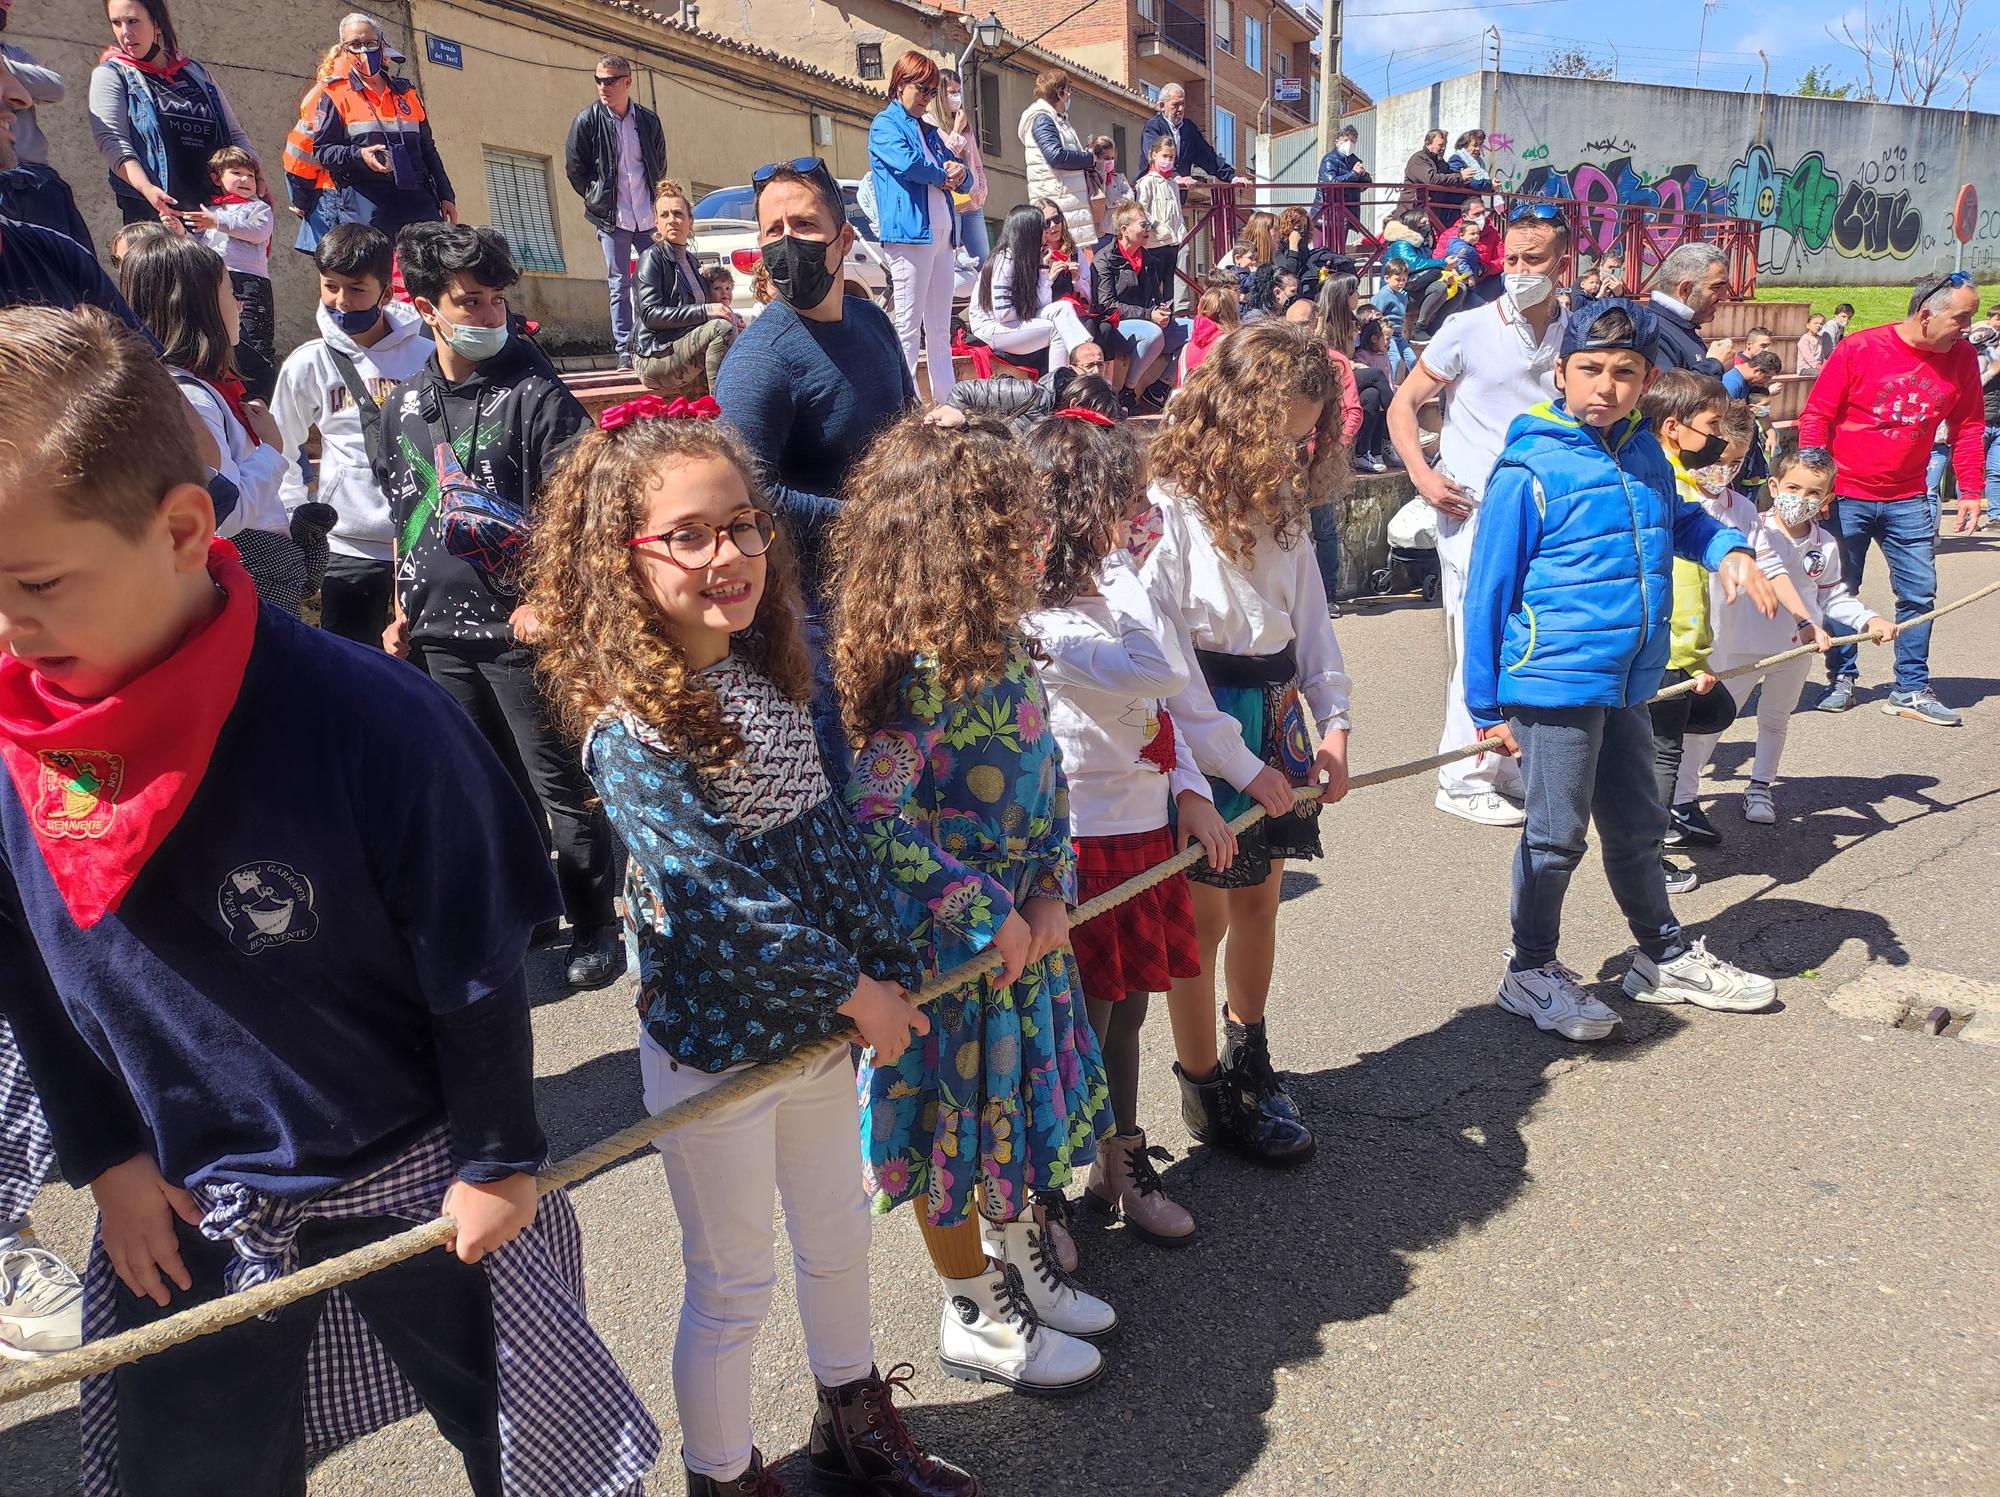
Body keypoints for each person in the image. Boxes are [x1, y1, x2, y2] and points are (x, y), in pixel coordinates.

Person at [0, 304, 659, 1497]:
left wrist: (501, 1153)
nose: (6, 627)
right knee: (192, 1470)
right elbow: (29, 970)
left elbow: (472, 964)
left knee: (531, 1442)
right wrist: (104, 1161)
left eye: (36, 583)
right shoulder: (18, 742)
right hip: (181, 1199)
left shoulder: (371, 722)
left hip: (419, 1173)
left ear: (185, 527)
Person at [527, 408, 976, 1497]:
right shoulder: (629, 733)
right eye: (687, 534)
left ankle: (853, 1422)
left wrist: (892, 955)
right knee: (730, 1284)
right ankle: (724, 1477)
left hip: (819, 1034)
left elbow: (826, 844)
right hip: (720, 1052)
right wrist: (854, 986)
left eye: (741, 526)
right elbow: (713, 893)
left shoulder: (766, 677)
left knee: (836, 1240)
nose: (724, 556)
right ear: (619, 558)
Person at [831, 414, 1114, 1395]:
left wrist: (1048, 889)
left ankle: (1022, 1262)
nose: (1034, 534)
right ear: (952, 533)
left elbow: (1048, 780)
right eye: (1010, 519)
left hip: (1022, 939)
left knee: (1017, 1118)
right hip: (953, 961)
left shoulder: (1002, 639)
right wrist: (985, 906)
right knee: (949, 1134)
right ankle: (970, 1303)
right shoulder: (915, 664)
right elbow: (874, 814)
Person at [1462, 297, 1783, 1042]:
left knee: (1639, 827)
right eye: (1591, 369)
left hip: (1631, 679)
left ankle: (1661, 953)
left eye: (1624, 371)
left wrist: (1726, 548)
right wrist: (1485, 708)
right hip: (1555, 680)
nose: (1606, 386)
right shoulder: (1529, 465)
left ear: (1645, 380)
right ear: (1562, 371)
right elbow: (1488, 592)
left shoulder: (1643, 450)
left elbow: (1680, 520)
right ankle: (1530, 968)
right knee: (1555, 836)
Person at [374, 222, 623, 987]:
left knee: (562, 787)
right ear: (424, 308)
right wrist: (398, 606)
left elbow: (585, 513)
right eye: (469, 301)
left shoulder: (535, 395)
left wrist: (550, 600)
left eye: (495, 300)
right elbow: (403, 509)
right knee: (488, 789)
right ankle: (531, 908)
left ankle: (594, 923)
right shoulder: (402, 403)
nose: (488, 316)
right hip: (439, 637)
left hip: (524, 634)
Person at [1138, 321, 1350, 1167]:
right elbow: (1169, 664)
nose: (1296, 454)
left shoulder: (1284, 501)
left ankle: (1248, 1048)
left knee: (1262, 896)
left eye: (1307, 436)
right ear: (1231, 417)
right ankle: (1202, 1083)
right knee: (1203, 912)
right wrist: (1238, 763)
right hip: (1208, 729)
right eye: (1283, 435)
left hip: (1280, 708)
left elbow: (1314, 623)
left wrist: (1333, 723)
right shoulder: (1167, 509)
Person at [1022, 408, 1229, 1246]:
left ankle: (1120, 1160)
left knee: (1132, 1009)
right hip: (1081, 840)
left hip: (1144, 827)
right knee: (1078, 1022)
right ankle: (1044, 1189)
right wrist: (1121, 570)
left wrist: (1189, 789)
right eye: (1118, 506)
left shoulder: (1114, 595)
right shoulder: (1043, 619)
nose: (1136, 521)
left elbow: (1164, 709)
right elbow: (1163, 668)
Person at [714, 157, 913, 779]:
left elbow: (905, 429)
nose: (786, 242)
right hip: (810, 613)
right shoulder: (758, 361)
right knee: (840, 775)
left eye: (802, 224)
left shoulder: (874, 324)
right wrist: (866, 518)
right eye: (772, 230)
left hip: (887, 588)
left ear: (844, 237)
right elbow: (743, 493)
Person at [1387, 204, 1571, 828]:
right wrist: (1423, 475)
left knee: (1524, 635)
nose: (1519, 271)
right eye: (1512, 259)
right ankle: (1461, 775)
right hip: (1470, 510)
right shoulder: (1466, 327)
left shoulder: (1576, 332)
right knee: (1476, 639)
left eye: (1534, 260)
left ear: (1561, 263)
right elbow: (1404, 404)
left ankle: (1507, 759)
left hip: (1545, 511)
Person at [1801, 270, 1986, 725]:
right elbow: (1817, 417)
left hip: (1910, 497)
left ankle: (1910, 688)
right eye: (1962, 318)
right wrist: (1815, 485)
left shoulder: (1961, 357)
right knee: (1841, 589)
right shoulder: (1860, 348)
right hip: (1846, 495)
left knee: (1920, 594)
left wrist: (1972, 490)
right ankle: (1841, 677)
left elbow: (1969, 426)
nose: (1968, 328)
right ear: (1927, 315)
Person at [1678, 443, 1893, 831]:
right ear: (1774, 486)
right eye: (1793, 488)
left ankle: (1760, 786)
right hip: (1739, 648)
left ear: (1828, 498)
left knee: (1775, 720)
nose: (1801, 499)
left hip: (1797, 651)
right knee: (1709, 725)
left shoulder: (1825, 544)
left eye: (1813, 492)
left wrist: (1869, 620)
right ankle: (1682, 799)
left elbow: (1834, 598)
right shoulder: (1748, 526)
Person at [119, 231, 328, 616]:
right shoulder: (191, 399)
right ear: (197, 307)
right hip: (249, 576)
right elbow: (224, 513)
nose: (239, 304)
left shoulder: (196, 389)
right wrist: (271, 450)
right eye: (230, 292)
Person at [271, 221, 431, 647]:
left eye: (356, 289)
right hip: (348, 551)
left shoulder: (427, 356)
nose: (341, 301)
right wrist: (296, 517)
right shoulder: (309, 363)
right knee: (352, 670)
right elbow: (279, 444)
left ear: (385, 293)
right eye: (330, 286)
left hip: (424, 545)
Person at [1640, 378, 1755, 890]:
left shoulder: (1653, 476)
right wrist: (1692, 656)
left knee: (1705, 718)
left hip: (1665, 648)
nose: (1717, 440)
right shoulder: (1674, 488)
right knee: (1664, 749)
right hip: (1668, 648)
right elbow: (1681, 587)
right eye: (1710, 427)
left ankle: (1647, 830)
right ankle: (1650, 855)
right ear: (1673, 428)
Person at [90, 0, 254, 229]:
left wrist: (256, 175)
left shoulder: (194, 72)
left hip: (214, 213)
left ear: (157, 23)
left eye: (133, 21)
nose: (125, 33)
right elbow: (113, 142)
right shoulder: (113, 74)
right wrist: (148, 189)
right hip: (155, 214)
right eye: (116, 23)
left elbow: (233, 133)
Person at [311, 13, 457, 242]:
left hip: (418, 199)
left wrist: (446, 196)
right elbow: (323, 151)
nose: (363, 50)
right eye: (355, 45)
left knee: (430, 270)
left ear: (381, 44)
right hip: (366, 203)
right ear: (343, 49)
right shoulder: (334, 94)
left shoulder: (407, 93)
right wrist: (359, 155)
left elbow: (428, 149)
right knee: (376, 274)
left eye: (369, 43)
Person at [870, 50, 964, 402]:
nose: (927, 97)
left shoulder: (929, 130)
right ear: (900, 83)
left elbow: (958, 171)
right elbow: (908, 164)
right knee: (907, 327)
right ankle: (904, 406)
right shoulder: (884, 124)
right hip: (910, 236)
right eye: (922, 88)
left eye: (932, 90)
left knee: (940, 328)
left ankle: (948, 401)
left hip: (940, 235)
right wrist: (945, 175)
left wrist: (961, 172)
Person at [563, 53, 666, 371]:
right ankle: (624, 349)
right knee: (618, 283)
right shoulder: (587, 120)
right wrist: (597, 199)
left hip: (647, 216)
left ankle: (655, 341)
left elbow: (658, 164)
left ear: (627, 82)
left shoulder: (647, 121)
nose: (603, 87)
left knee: (654, 280)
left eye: (609, 81)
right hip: (613, 217)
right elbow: (574, 168)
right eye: (598, 80)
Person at [633, 176, 741, 396]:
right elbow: (651, 314)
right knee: (720, 329)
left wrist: (731, 316)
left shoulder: (691, 262)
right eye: (664, 215)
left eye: (678, 214)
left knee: (732, 327)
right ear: (657, 222)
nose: (672, 220)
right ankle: (720, 410)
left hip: (679, 348)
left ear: (690, 222)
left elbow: (702, 315)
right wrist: (706, 310)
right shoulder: (651, 258)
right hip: (654, 354)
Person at [966, 201, 1094, 372]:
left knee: (1064, 307)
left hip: (1016, 319)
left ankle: (1085, 355)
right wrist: (1031, 311)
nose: (1047, 231)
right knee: (1056, 329)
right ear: (1029, 230)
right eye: (1042, 227)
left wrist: (1043, 271)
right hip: (991, 328)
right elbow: (1003, 313)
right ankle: (1059, 384)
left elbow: (1044, 304)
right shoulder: (1005, 258)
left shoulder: (1031, 257)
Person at [189, 145, 273, 393]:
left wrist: (217, 222)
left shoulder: (258, 208)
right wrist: (180, 230)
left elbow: (258, 232)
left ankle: (260, 395)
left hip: (250, 283)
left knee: (254, 338)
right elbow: (199, 245)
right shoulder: (210, 211)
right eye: (236, 173)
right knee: (222, 336)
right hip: (216, 281)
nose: (246, 180)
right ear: (217, 178)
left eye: (251, 175)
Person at [1094, 198, 1189, 411]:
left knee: (1197, 330)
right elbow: (1107, 304)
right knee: (1152, 333)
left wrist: (1163, 311)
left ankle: (1160, 388)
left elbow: (1154, 299)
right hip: (1119, 325)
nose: (1149, 230)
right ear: (1124, 229)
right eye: (1144, 225)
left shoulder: (1148, 260)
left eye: (1150, 225)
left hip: (1148, 320)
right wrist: (1149, 315)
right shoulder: (1105, 260)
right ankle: (1128, 390)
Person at [1315, 274, 1386, 471]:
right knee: (1376, 375)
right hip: (1332, 378)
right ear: (1343, 295)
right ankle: (1395, 427)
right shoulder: (1322, 322)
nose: (1359, 295)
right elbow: (1322, 356)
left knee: (1371, 395)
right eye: (1355, 291)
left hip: (1348, 372)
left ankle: (1363, 453)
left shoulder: (1351, 321)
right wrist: (1351, 365)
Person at [1019, 66, 1093, 247]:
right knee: (1062, 254)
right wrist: (1089, 158)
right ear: (1060, 93)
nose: (1069, 95)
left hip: (1065, 198)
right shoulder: (1042, 119)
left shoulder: (1056, 119)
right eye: (1068, 90)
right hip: (1058, 198)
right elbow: (1056, 156)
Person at [930, 68, 989, 264]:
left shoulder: (965, 124)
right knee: (951, 263)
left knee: (984, 262)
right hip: (950, 204)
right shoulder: (929, 123)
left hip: (972, 204)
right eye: (951, 92)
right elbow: (943, 160)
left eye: (958, 92)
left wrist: (981, 189)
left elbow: (975, 161)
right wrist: (955, 130)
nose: (956, 97)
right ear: (939, 95)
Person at [1647, 242, 1729, 376]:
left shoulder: (1680, 326)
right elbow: (1667, 395)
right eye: (1716, 287)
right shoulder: (1652, 333)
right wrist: (1714, 364)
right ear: (1685, 289)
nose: (1724, 296)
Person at [1140, 81, 1236, 186]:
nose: (1180, 109)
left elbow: (1208, 157)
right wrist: (1176, 177)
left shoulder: (1189, 129)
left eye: (1182, 104)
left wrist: (1232, 177)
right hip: (1155, 193)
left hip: (1178, 196)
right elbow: (1156, 158)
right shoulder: (1153, 127)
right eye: (1175, 105)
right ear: (1162, 106)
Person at [1396, 128, 1472, 225]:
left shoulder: (1441, 162)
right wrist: (1459, 177)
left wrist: (1464, 180)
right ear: (1428, 144)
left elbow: (1449, 176)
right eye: (1440, 145)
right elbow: (1430, 179)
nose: (1443, 148)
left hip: (1431, 213)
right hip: (1412, 213)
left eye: (1445, 145)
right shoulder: (1418, 159)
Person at [1315, 123, 1370, 253]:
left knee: (1338, 252)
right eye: (1346, 140)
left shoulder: (1355, 160)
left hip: (1344, 213)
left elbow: (1364, 185)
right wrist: (1354, 174)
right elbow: (1331, 182)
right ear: (1338, 142)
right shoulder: (1330, 159)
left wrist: (1363, 175)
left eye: (1352, 141)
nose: (1349, 144)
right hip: (1326, 212)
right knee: (1321, 253)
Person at [1371, 257, 1414, 380]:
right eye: (1397, 279)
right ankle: (1390, 386)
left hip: (1398, 335)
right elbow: (1375, 314)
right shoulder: (1383, 295)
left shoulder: (1402, 296)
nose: (1401, 283)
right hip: (1387, 335)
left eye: (1404, 280)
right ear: (1387, 278)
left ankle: (1412, 386)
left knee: (1411, 358)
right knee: (1394, 359)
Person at [1087, 132, 1129, 238]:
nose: (1110, 161)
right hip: (1099, 233)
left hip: (1119, 231)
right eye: (1106, 158)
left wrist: (1107, 204)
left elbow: (1129, 199)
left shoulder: (1119, 178)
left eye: (1112, 158)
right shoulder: (1090, 178)